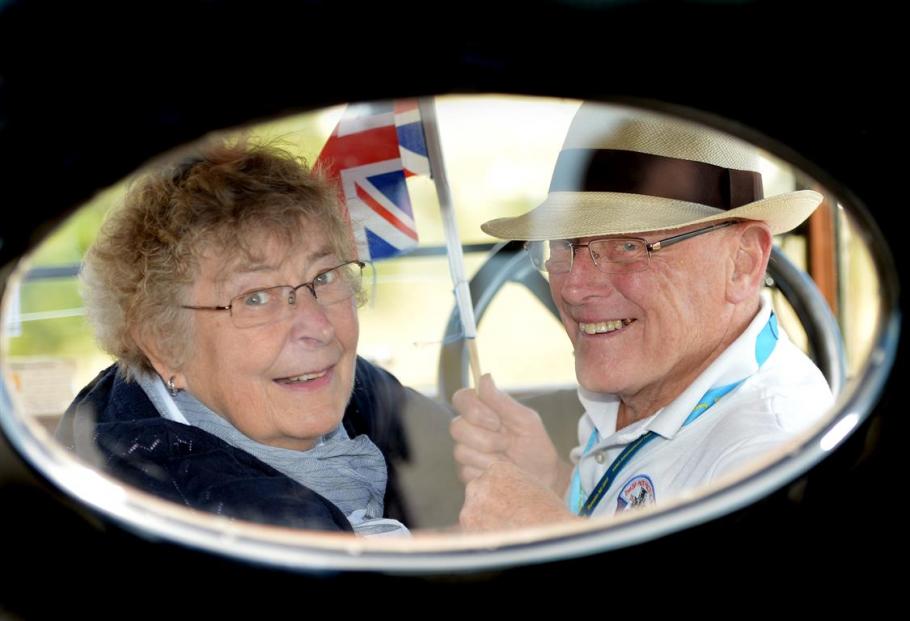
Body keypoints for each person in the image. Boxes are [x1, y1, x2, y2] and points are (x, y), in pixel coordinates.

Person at [450, 102, 834, 531]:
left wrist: (548, 534)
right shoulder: (655, 384)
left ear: (743, 262)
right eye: (562, 246)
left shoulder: (771, 456)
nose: (575, 286)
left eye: (628, 247)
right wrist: (556, 481)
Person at [57, 139, 411, 536]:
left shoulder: (351, 388)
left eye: (324, 277)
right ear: (165, 344)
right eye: (256, 298)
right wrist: (476, 536)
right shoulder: (169, 513)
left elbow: (434, 436)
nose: (319, 327)